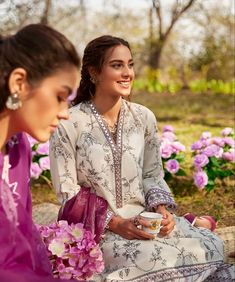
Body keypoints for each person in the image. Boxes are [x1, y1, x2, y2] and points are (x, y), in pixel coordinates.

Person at [49, 35, 234, 281]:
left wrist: (162, 211)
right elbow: (67, 192)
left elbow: (152, 174)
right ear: (94, 72)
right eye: (117, 65)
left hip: (145, 222)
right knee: (158, 259)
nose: (127, 73)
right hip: (98, 230)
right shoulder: (68, 123)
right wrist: (116, 223)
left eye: (130, 64)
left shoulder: (143, 118)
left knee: (211, 245)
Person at [0, 24, 81, 281]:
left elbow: (20, 237)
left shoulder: (18, 148)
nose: (65, 112)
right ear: (19, 83)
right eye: (60, 96)